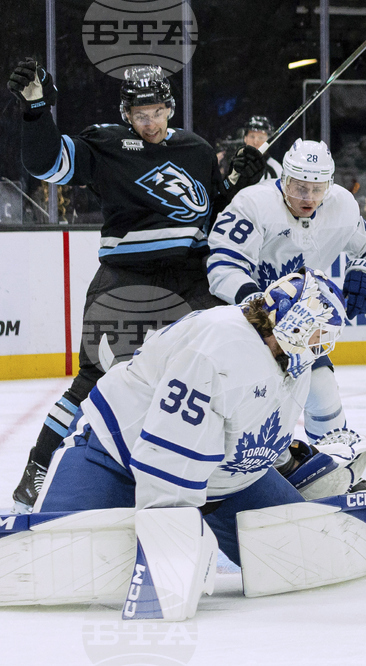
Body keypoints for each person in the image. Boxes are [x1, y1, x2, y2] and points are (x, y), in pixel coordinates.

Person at [25, 269, 366, 619]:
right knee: (47, 566)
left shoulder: (292, 359)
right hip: (116, 457)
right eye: (316, 330)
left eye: (326, 336)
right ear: (288, 319)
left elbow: (253, 424)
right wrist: (170, 537)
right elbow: (170, 453)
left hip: (226, 482)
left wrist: (291, 468)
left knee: (303, 557)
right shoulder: (218, 347)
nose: (320, 343)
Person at [6, 60, 265, 514]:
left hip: (190, 280)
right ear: (126, 114)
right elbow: (46, 163)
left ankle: (247, 463)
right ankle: (37, 465)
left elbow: (216, 213)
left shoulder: (195, 148)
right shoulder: (106, 144)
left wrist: (241, 181)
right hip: (125, 279)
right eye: (140, 115)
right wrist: (36, 109)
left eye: (157, 112)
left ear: (170, 108)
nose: (150, 123)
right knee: (95, 378)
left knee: (229, 361)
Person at [206, 139, 366, 483]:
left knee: (322, 387)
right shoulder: (253, 203)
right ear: (283, 179)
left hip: (299, 324)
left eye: (317, 189)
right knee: (254, 403)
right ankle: (257, 470)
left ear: (329, 185)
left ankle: (335, 467)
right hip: (244, 323)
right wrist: (261, 310)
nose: (307, 197)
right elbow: (223, 265)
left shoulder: (342, 207)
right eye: (298, 187)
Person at [243, 115, 283, 180]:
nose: (255, 142)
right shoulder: (232, 164)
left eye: (261, 138)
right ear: (245, 138)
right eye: (252, 136)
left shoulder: (275, 168)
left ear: (269, 141)